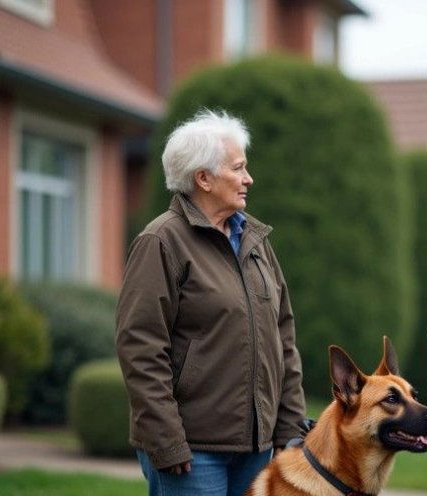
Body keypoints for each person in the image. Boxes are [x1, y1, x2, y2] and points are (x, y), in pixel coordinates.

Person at [115, 109, 305, 496]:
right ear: (203, 178)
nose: (248, 179)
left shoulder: (255, 240)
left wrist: (290, 427)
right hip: (192, 451)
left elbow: (282, 336)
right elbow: (140, 346)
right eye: (238, 168)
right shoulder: (161, 241)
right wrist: (167, 439)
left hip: (256, 446)